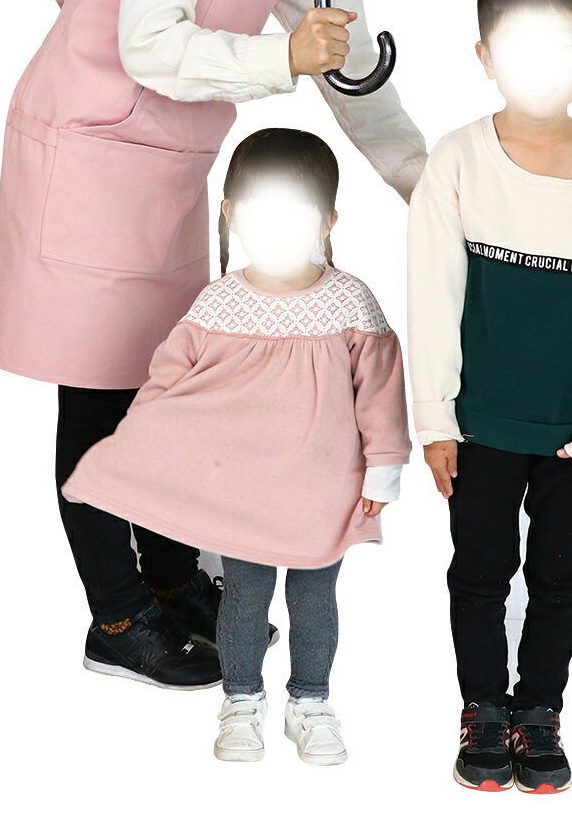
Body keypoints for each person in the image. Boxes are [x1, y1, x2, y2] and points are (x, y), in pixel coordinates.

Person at [0, 0, 428, 688]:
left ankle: (176, 585)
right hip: (90, 149)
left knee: (170, 387)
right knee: (100, 396)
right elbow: (150, 44)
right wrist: (282, 56)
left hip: (171, 161)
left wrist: (425, 188)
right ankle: (118, 619)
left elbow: (352, 70)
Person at [62, 128, 411, 764]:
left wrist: (383, 469)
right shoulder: (218, 304)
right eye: (260, 215)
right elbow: (170, 382)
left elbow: (381, 391)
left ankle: (311, 702)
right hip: (244, 495)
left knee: (313, 600)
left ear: (329, 220)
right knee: (246, 598)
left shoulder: (350, 301)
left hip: (322, 492)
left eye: (295, 215)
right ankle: (242, 699)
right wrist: (141, 446)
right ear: (229, 215)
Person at [406, 0, 572, 794]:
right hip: (480, 423)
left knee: (560, 576)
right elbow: (432, 293)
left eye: (562, 47)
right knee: (479, 574)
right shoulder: (459, 158)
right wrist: (435, 418)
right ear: (483, 56)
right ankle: (483, 710)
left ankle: (539, 710)